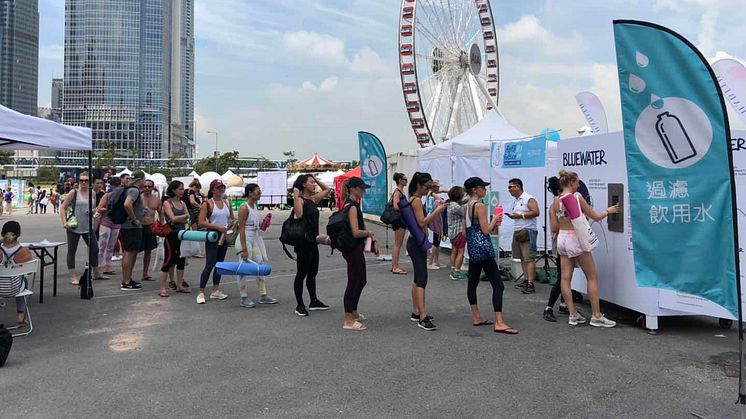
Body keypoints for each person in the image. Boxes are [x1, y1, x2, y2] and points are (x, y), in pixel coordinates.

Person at [554, 169, 619, 328]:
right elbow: (595, 216)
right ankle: (596, 315)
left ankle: (573, 314)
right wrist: (609, 210)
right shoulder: (576, 197)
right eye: (577, 182)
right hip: (575, 239)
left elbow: (556, 223)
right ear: (571, 182)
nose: (578, 185)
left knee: (565, 278)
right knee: (591, 276)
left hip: (562, 238)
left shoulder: (557, 200)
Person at [463, 177, 518, 334]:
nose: (485, 190)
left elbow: (463, 230)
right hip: (484, 247)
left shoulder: (466, 206)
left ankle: (476, 316)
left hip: (472, 248)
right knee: (498, 285)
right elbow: (486, 230)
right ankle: (499, 322)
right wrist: (494, 219)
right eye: (482, 187)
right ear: (475, 190)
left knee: (472, 282)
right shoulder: (479, 206)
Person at [406, 172, 446, 331]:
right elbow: (421, 222)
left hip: (416, 242)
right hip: (416, 243)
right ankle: (422, 317)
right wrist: (437, 211)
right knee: (422, 279)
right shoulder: (416, 201)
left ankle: (417, 311)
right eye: (427, 187)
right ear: (418, 185)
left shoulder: (414, 199)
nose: (429, 190)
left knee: (418, 278)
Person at [335, 177, 374, 331]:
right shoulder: (352, 206)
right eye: (361, 188)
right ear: (353, 189)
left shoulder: (350, 204)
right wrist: (369, 233)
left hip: (353, 247)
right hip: (352, 248)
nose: (363, 190)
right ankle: (348, 319)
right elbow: (356, 232)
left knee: (361, 279)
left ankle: (353, 311)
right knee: (354, 280)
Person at [291, 173, 331, 317]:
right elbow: (299, 214)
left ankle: (313, 301)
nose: (314, 184)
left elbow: (328, 190)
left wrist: (316, 179)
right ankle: (299, 305)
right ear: (304, 185)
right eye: (311, 182)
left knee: (313, 272)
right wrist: (296, 196)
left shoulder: (313, 199)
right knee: (301, 273)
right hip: (303, 242)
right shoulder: (300, 200)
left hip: (313, 241)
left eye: (314, 182)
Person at [59, 171, 106, 284]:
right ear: (78, 181)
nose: (83, 182)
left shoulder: (92, 193)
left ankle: (96, 273)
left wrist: (96, 211)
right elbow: (63, 208)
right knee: (72, 250)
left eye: (86, 180)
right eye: (81, 180)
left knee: (94, 249)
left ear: (90, 182)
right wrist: (64, 222)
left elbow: (93, 208)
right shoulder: (73, 192)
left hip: (88, 226)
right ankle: (73, 276)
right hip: (74, 225)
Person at [236, 183, 278, 307]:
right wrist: (244, 249)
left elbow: (254, 224)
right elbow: (242, 228)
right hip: (246, 239)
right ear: (250, 193)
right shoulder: (244, 208)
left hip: (255, 237)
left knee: (259, 266)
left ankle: (263, 295)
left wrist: (263, 223)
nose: (260, 193)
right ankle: (243, 297)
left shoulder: (254, 206)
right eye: (257, 191)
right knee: (243, 269)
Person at [196, 179, 234, 304]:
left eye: (222, 187)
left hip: (224, 234)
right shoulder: (208, 203)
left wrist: (229, 223)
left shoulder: (227, 202)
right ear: (212, 190)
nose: (221, 189)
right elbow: (201, 222)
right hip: (213, 235)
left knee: (220, 263)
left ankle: (215, 290)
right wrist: (217, 227)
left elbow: (232, 218)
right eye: (218, 187)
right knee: (210, 263)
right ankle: (201, 291)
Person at [507, 178, 540, 294]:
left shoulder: (528, 198)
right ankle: (526, 279)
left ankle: (531, 283)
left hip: (527, 231)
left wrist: (521, 216)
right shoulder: (516, 200)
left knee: (529, 258)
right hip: (518, 231)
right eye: (509, 187)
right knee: (522, 257)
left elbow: (536, 212)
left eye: (511, 187)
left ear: (518, 187)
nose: (509, 189)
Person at [543, 176, 569, 322]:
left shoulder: (558, 201)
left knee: (566, 275)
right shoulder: (558, 202)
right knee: (562, 276)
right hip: (562, 241)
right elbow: (554, 227)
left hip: (562, 241)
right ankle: (549, 307)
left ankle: (564, 304)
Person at [158, 180, 190, 297]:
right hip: (171, 235)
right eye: (180, 189)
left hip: (182, 234)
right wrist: (183, 217)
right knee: (168, 260)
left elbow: (186, 218)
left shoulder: (182, 203)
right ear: (173, 190)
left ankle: (180, 285)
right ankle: (163, 287)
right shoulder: (167, 203)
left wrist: (181, 217)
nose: (182, 191)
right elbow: (173, 218)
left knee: (181, 259)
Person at [0, 221, 35, 325]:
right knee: (23, 279)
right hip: (15, 289)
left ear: (2, 234)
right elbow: (28, 272)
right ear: (18, 235)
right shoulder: (24, 251)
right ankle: (20, 316)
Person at [120, 170, 146, 291]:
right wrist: (134, 219)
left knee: (130, 252)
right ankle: (126, 281)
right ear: (140, 179)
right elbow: (127, 204)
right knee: (129, 253)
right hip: (131, 227)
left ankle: (128, 279)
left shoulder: (129, 189)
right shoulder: (134, 190)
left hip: (128, 226)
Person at [96, 177, 122, 275]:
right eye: (115, 185)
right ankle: (99, 266)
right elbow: (99, 208)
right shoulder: (107, 196)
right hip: (106, 222)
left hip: (116, 223)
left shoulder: (123, 196)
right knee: (102, 245)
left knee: (111, 246)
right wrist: (109, 208)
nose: (117, 187)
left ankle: (108, 265)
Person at [139, 179, 160, 282]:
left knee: (148, 251)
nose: (147, 188)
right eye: (145, 186)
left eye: (149, 186)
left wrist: (161, 226)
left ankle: (145, 273)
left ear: (152, 188)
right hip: (139, 226)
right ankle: (128, 274)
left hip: (150, 225)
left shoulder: (156, 199)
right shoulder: (138, 198)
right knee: (133, 251)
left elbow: (161, 213)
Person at [446, 186, 467, 280]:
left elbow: (463, 201)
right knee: (461, 252)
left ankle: (453, 269)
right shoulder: (456, 207)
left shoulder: (451, 204)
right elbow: (465, 213)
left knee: (454, 251)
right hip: (459, 232)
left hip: (452, 233)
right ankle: (457, 272)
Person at [390, 172, 408, 275]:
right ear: (400, 180)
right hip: (399, 219)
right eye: (405, 179)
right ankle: (395, 266)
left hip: (401, 219)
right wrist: (406, 207)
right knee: (397, 243)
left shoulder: (401, 191)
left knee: (398, 243)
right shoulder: (397, 192)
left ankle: (395, 265)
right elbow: (396, 206)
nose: (406, 181)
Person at [427, 182, 445, 270]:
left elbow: (443, 191)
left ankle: (436, 261)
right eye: (437, 187)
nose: (439, 189)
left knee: (437, 241)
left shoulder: (432, 195)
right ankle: (430, 262)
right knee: (435, 241)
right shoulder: (432, 195)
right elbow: (441, 200)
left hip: (436, 219)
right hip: (435, 220)